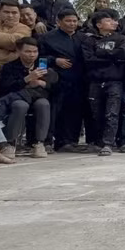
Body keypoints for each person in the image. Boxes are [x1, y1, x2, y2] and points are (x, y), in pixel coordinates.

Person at [0, 37, 58, 158]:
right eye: (28, 51)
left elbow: (57, 87)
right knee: (20, 105)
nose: (32, 55)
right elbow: (5, 87)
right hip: (19, 97)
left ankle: (40, 143)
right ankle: (10, 143)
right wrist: (27, 79)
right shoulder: (9, 67)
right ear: (19, 51)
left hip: (38, 96)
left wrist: (43, 83)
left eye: (35, 52)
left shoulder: (43, 66)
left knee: (43, 104)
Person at [82, 11, 125, 156]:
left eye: (115, 21)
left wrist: (100, 53)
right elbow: (88, 60)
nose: (114, 23)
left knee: (112, 113)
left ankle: (108, 143)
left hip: (114, 81)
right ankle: (98, 141)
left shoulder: (121, 38)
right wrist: (112, 58)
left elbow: (123, 54)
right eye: (109, 21)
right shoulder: (90, 40)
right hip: (95, 81)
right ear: (99, 24)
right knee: (96, 113)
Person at [39, 9, 85, 152]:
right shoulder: (47, 37)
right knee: (54, 112)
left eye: (74, 21)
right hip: (57, 81)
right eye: (68, 21)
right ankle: (47, 141)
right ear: (59, 22)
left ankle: (69, 142)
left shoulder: (82, 38)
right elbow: (38, 59)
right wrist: (54, 60)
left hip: (78, 81)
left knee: (75, 112)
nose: (72, 24)